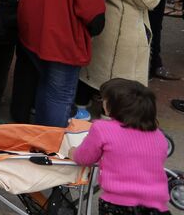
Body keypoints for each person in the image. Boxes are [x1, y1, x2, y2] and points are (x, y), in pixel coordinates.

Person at [71, 78, 171, 215]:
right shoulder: (158, 135)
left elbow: (84, 158)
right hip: (157, 205)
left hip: (117, 203)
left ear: (113, 106)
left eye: (104, 99)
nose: (102, 102)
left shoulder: (101, 128)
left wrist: (73, 152)